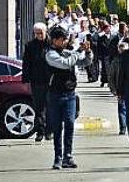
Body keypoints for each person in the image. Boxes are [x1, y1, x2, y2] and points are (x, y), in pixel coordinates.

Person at [45, 26, 93, 169]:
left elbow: (84, 62)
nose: (65, 41)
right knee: (57, 126)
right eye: (62, 39)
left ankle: (68, 156)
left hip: (70, 94)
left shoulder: (67, 52)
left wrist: (88, 52)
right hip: (55, 94)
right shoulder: (50, 54)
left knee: (70, 124)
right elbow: (65, 64)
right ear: (54, 40)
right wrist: (78, 51)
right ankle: (58, 157)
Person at [22, 22, 51, 142]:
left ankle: (49, 131)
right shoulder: (30, 45)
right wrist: (26, 80)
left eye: (41, 33)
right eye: (36, 33)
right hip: (37, 80)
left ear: (46, 32)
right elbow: (26, 63)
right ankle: (40, 131)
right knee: (39, 107)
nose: (39, 35)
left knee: (50, 106)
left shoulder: (51, 44)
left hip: (51, 80)